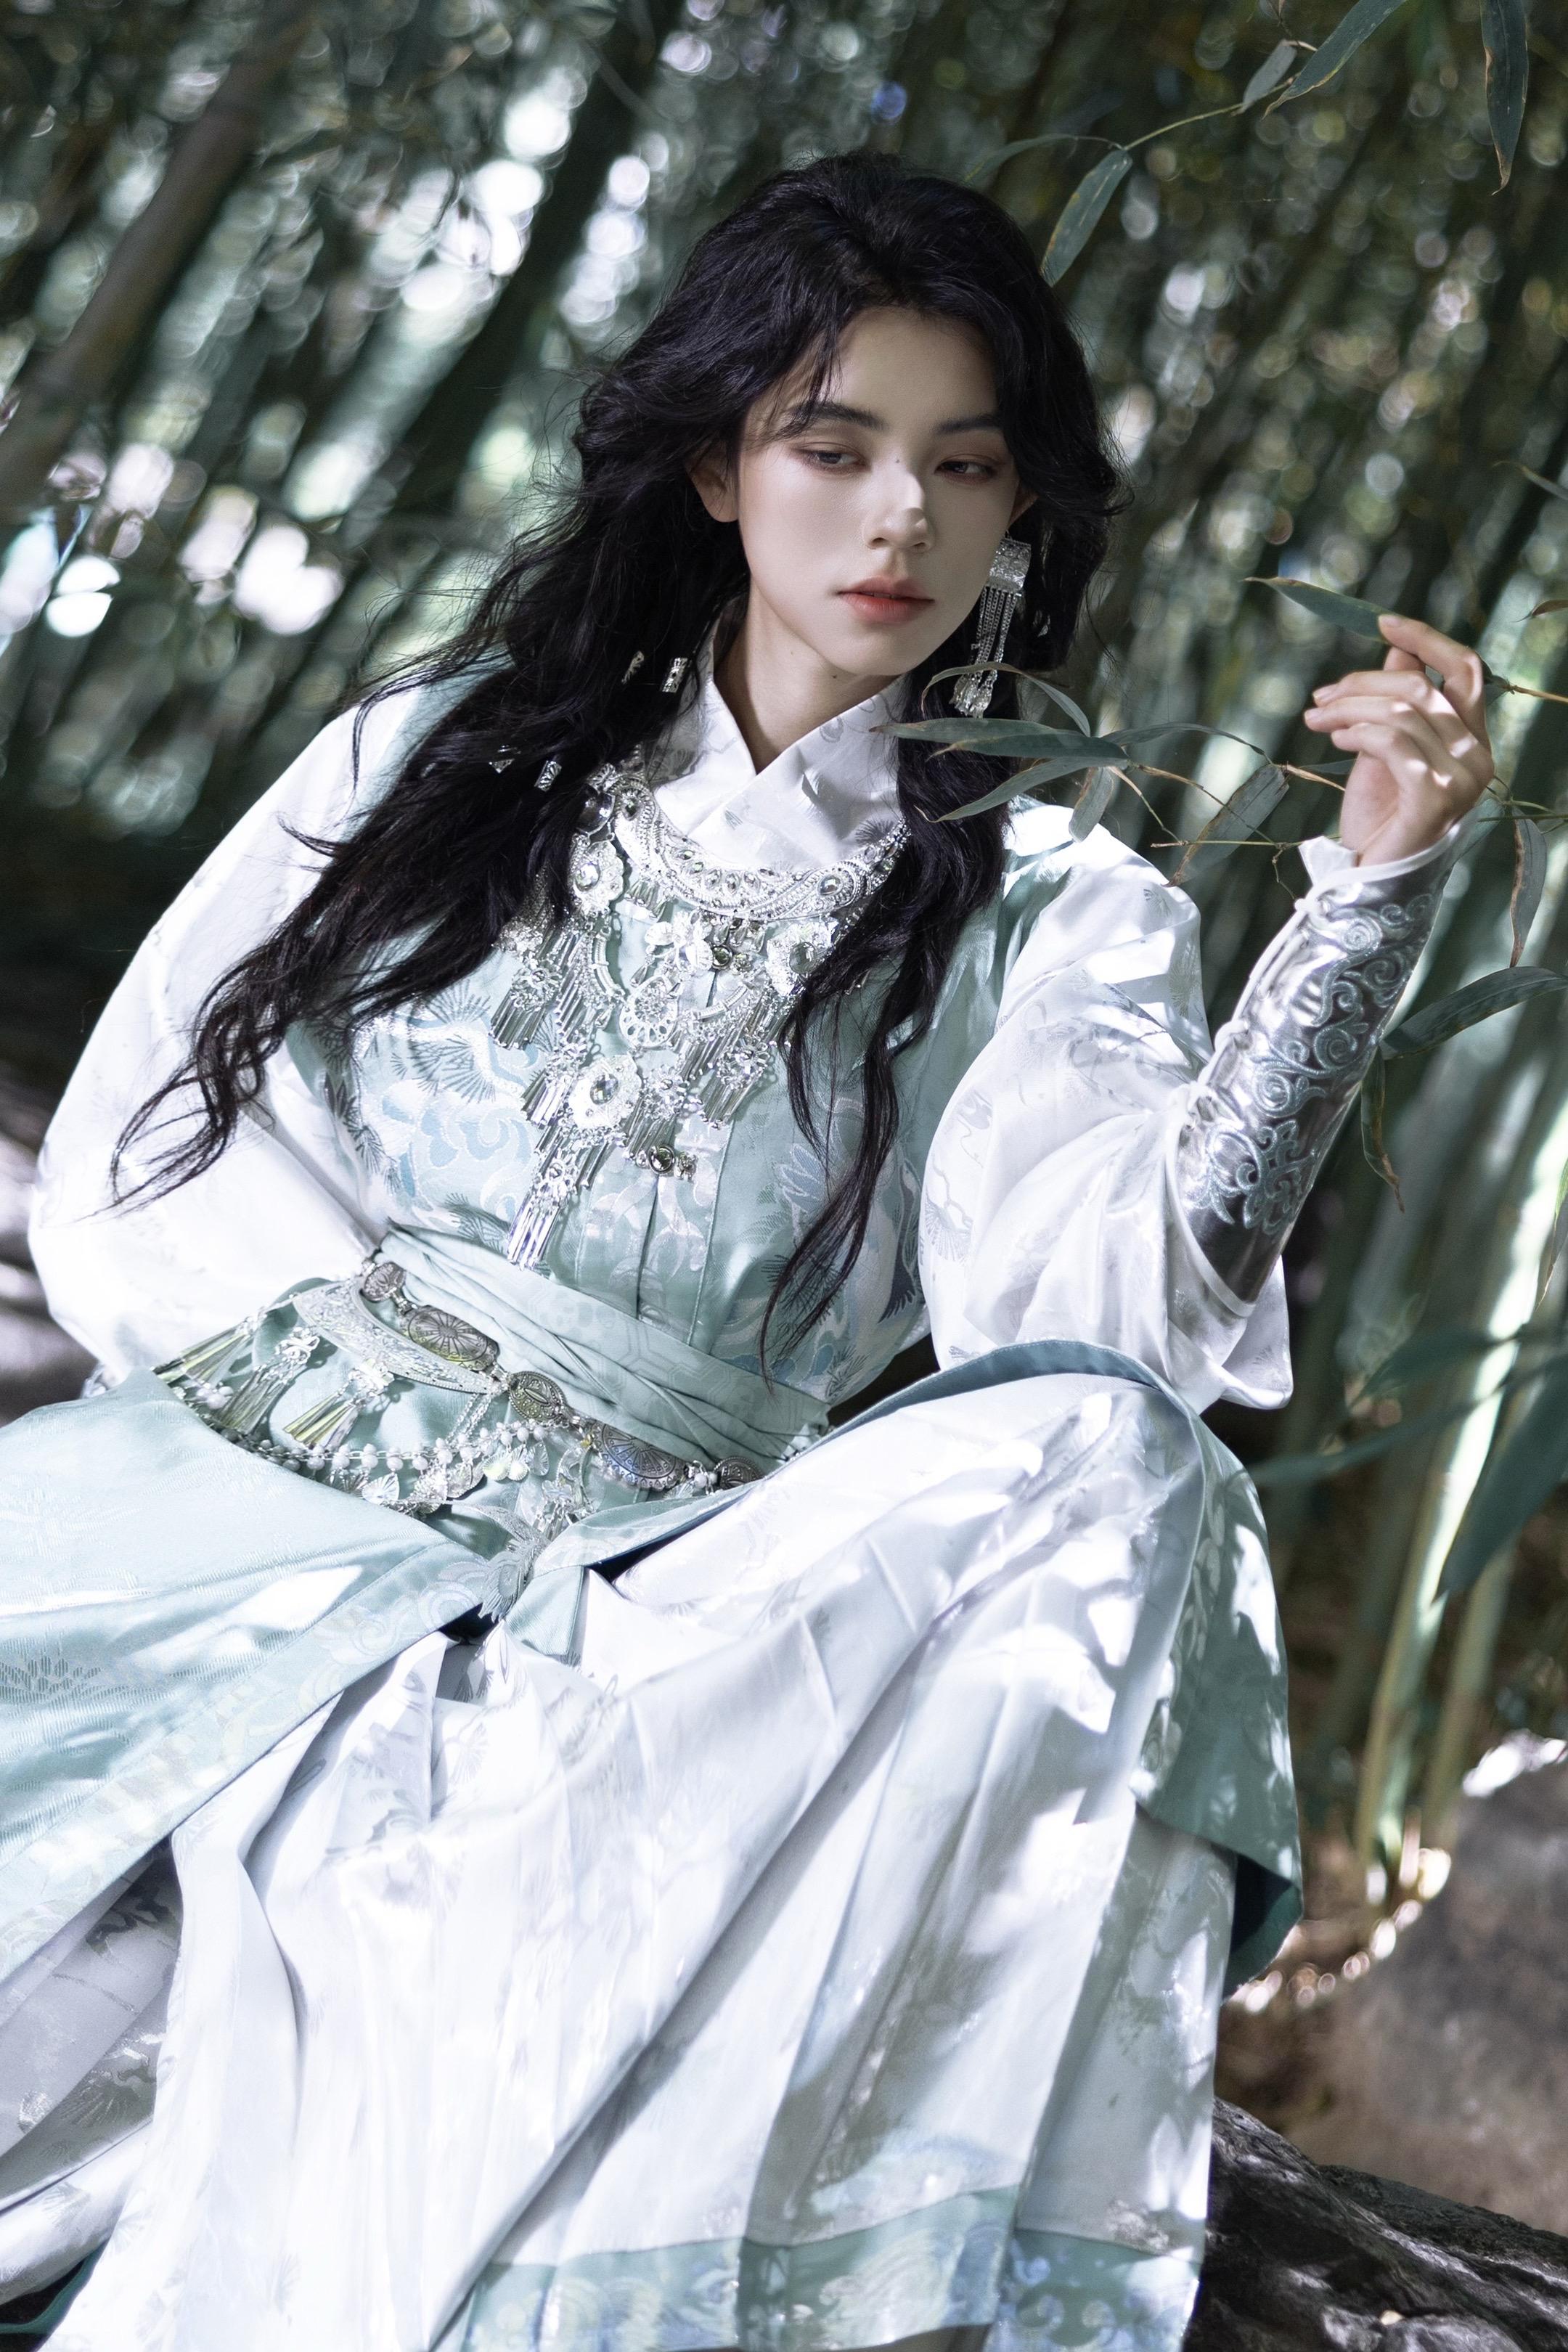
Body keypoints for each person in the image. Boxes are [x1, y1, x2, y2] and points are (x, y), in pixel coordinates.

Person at [0, 152, 1492, 2351]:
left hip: (682, 1589)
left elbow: (1123, 1321)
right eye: (834, 446)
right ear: (719, 466)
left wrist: (1363, 913)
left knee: (1134, 1472)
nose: (899, 521)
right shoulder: (447, 753)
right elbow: (149, 1136)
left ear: (1020, 510)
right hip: (287, 1467)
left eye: (962, 467)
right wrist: (364, 1447)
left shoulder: (1057, 907)